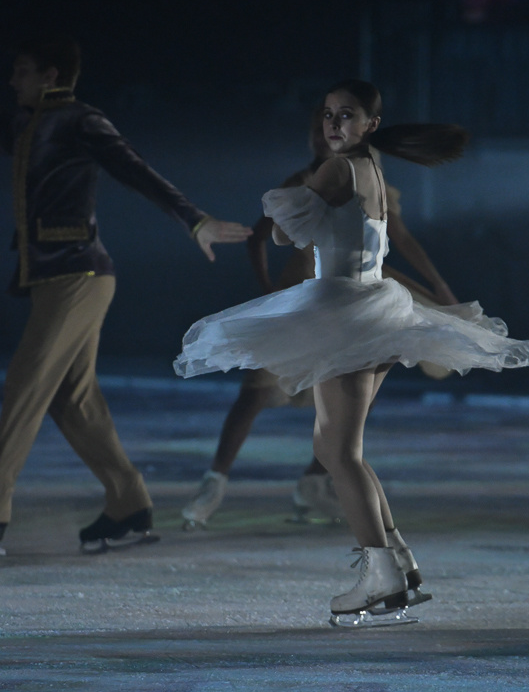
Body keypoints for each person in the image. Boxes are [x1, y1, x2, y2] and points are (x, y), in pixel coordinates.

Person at [174, 79, 529, 624]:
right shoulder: (372, 169)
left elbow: (281, 234)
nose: (333, 125)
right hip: (372, 308)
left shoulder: (337, 169)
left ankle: (382, 574)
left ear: (370, 124)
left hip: (344, 313)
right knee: (335, 446)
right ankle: (399, 562)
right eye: (327, 115)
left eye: (346, 116)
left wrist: (304, 205)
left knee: (338, 453)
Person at [0, 34, 252, 556]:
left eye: (21, 72)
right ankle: (128, 504)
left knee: (23, 391)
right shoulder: (25, 124)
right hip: (53, 277)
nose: (11, 81)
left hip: (80, 276)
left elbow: (134, 169)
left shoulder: (81, 121)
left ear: (50, 76)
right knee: (71, 400)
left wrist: (194, 219)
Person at [181, 126, 459, 530]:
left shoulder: (372, 175)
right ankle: (216, 480)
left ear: (367, 125)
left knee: (351, 403)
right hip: (309, 297)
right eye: (320, 123)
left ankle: (316, 482)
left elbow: (397, 237)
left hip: (353, 300)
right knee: (257, 392)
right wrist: (270, 294)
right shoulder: (310, 179)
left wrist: (439, 286)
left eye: (340, 118)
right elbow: (263, 236)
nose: (324, 133)